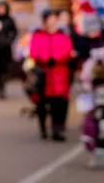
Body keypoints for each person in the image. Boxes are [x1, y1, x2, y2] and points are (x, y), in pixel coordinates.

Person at [30, 9, 73, 141]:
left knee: (59, 104)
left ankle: (58, 129)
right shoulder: (38, 36)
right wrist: (44, 59)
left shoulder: (63, 36)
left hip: (59, 75)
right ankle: (43, 128)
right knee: (41, 104)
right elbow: (33, 51)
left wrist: (56, 58)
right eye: (50, 18)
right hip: (43, 75)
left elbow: (67, 50)